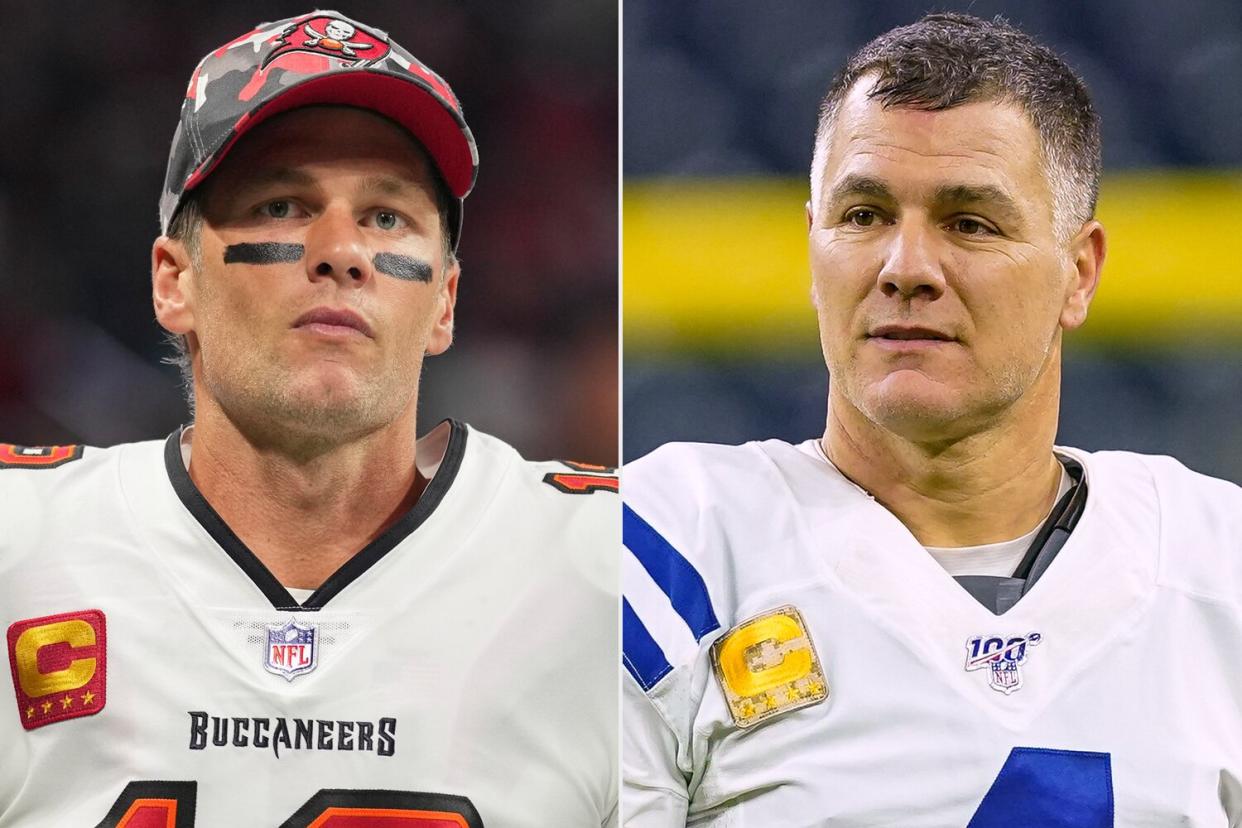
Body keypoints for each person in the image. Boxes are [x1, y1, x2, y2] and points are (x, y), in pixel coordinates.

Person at [622, 13, 1242, 825]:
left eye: (969, 223)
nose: (904, 267)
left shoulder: (1219, 567)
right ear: (813, 246)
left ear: (1078, 273)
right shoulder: (667, 549)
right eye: (864, 215)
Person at [0, 11, 617, 826]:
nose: (342, 250)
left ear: (445, 302)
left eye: (387, 216)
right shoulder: (20, 546)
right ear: (172, 282)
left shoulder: (610, 571)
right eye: (284, 204)